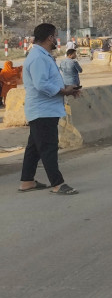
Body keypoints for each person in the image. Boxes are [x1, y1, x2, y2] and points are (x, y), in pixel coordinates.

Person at [18, 24, 81, 195]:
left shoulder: (42, 55)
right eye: (55, 36)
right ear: (50, 38)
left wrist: (68, 89)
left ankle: (27, 181)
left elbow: (47, 82)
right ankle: (58, 184)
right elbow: (41, 84)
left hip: (44, 110)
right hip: (42, 111)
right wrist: (63, 91)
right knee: (48, 147)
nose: (56, 40)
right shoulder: (38, 57)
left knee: (35, 147)